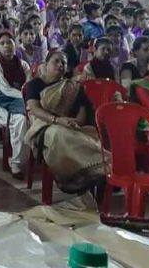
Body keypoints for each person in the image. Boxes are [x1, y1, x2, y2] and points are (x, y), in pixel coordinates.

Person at [24, 50, 106, 196]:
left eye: (64, 63)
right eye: (56, 61)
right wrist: (57, 120)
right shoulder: (35, 84)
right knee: (59, 134)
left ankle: (93, 172)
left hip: (70, 126)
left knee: (91, 135)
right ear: (46, 64)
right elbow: (35, 109)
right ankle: (97, 168)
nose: (60, 65)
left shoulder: (72, 86)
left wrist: (75, 122)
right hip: (43, 127)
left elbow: (82, 112)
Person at [0, 31, 31, 178]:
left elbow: (28, 84)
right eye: (2, 43)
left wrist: (29, 99)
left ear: (15, 44)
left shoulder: (23, 65)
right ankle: (16, 162)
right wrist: (25, 98)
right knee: (19, 119)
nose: (7, 46)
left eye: (9, 42)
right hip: (1, 101)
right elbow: (5, 89)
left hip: (22, 100)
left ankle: (32, 155)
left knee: (35, 117)